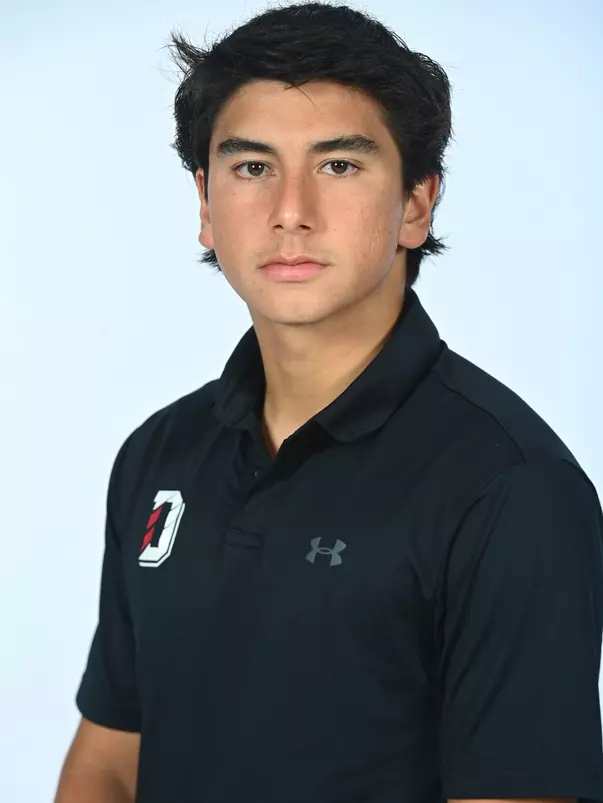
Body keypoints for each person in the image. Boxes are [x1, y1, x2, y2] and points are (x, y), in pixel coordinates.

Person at [54, 3, 603, 802]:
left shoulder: (509, 489)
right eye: (251, 167)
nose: (290, 211)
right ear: (205, 205)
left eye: (338, 165)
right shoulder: (158, 455)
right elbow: (109, 762)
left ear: (416, 203)